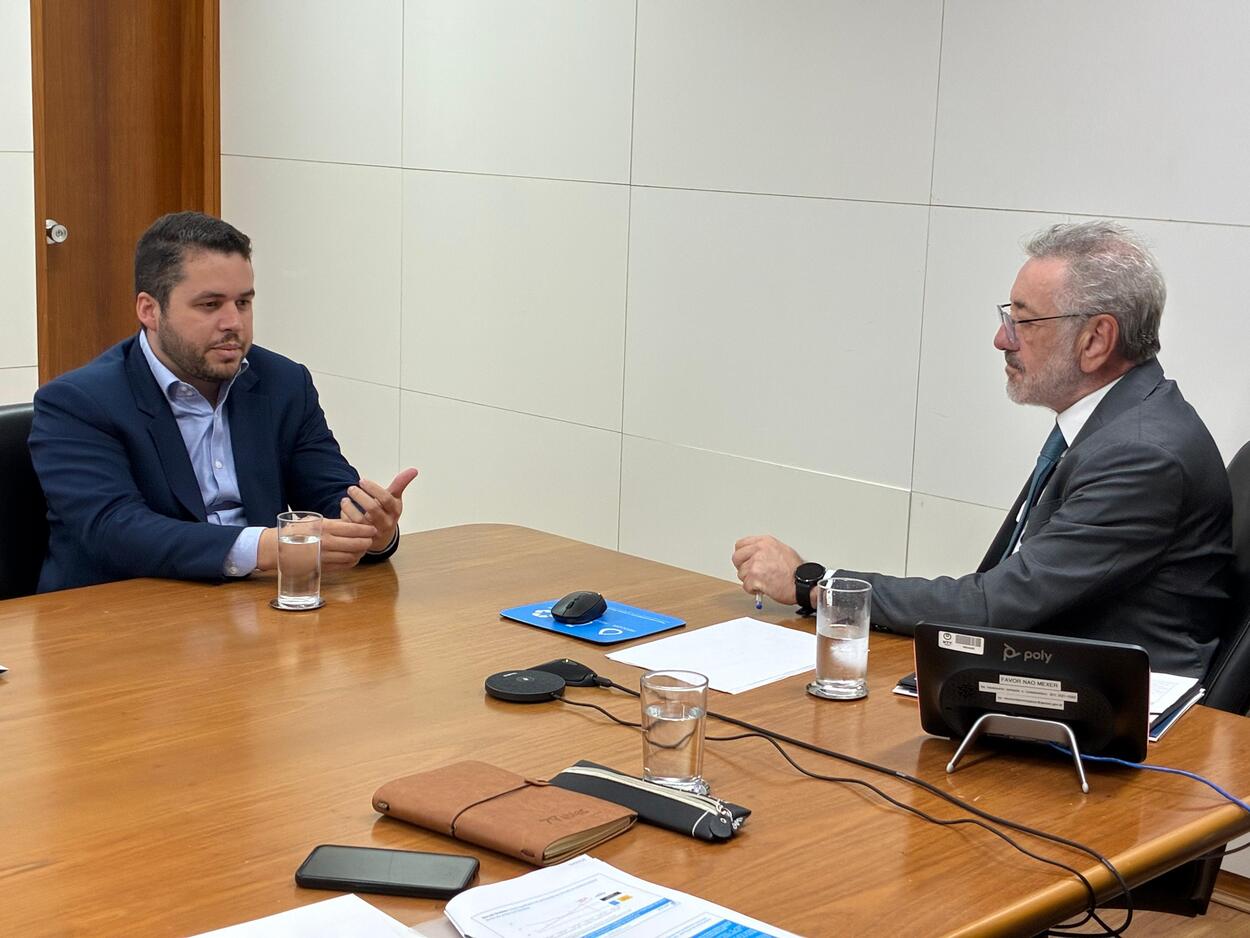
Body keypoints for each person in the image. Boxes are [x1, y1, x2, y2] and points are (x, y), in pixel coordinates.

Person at [733, 221, 1232, 677]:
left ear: (1096, 339)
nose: (1001, 339)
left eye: (1024, 321)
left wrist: (816, 585)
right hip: (1052, 675)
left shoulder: (1142, 454)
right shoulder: (1115, 421)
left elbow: (996, 605)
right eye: (1006, 315)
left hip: (1120, 723)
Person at [30, 211, 418, 592]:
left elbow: (329, 496)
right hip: (119, 620)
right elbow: (115, 529)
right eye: (210, 305)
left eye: (243, 303)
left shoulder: (284, 383)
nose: (234, 322)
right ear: (149, 310)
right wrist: (264, 547)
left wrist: (370, 528)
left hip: (254, 609)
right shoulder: (77, 403)